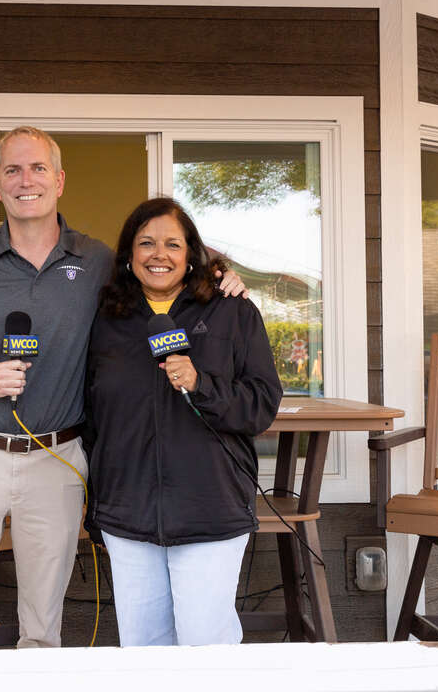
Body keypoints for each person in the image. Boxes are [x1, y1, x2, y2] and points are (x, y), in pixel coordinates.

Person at [0, 128, 244, 650]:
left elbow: (162, 264)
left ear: (60, 180)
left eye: (38, 169)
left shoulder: (94, 262)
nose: (27, 181)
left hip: (57, 456)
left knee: (44, 629)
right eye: (13, 171)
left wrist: (223, 272)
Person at [85, 197, 283, 647]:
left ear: (192, 254)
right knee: (143, 648)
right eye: (147, 243)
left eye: (173, 244)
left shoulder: (232, 310)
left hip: (209, 510)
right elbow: (92, 413)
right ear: (129, 255)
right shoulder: (106, 318)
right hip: (128, 513)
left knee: (205, 648)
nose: (160, 255)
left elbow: (261, 404)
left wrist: (201, 383)